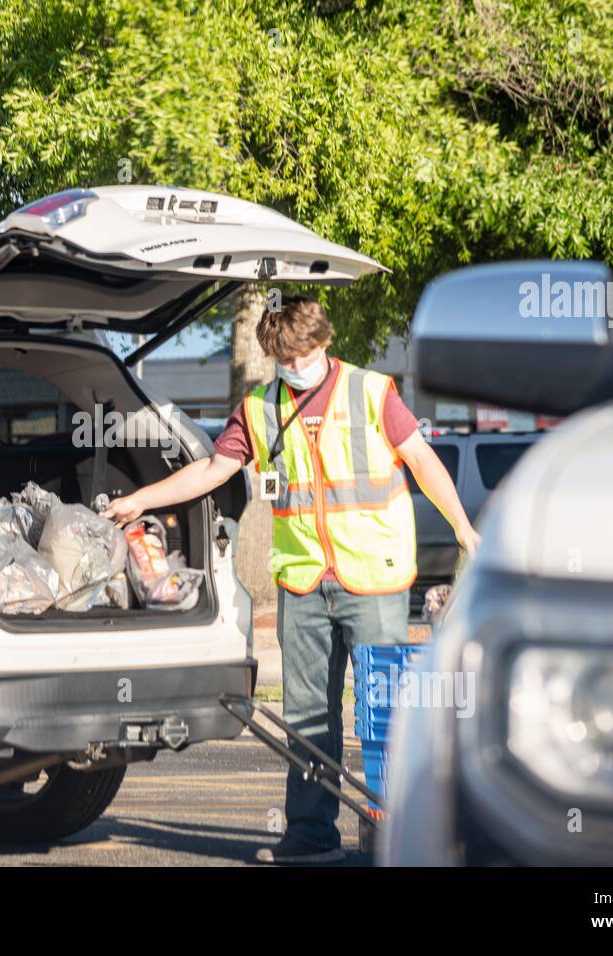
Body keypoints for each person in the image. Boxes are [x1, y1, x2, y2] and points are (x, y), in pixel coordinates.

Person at [103, 295, 480, 864]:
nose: (292, 366)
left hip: (372, 578)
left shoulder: (370, 392)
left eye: (300, 354)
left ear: (324, 343)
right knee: (307, 717)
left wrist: (464, 530)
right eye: (281, 357)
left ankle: (405, 835)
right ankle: (310, 835)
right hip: (303, 583)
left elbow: (423, 461)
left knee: (385, 715)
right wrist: (139, 500)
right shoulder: (259, 407)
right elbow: (213, 469)